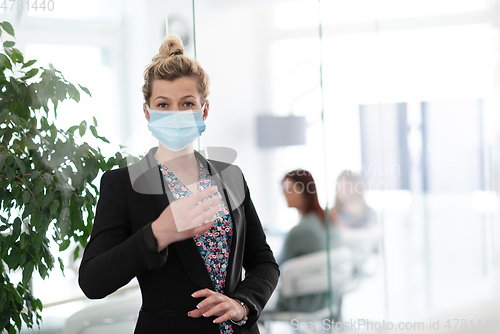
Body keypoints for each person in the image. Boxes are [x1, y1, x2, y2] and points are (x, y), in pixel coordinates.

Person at [78, 36, 279, 334]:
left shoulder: (230, 177)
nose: (176, 114)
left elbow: (264, 262)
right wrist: (158, 233)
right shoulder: (123, 184)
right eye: (163, 104)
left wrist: (243, 304)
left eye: (187, 104)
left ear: (204, 110)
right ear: (147, 113)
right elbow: (93, 280)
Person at [274, 169, 328, 312]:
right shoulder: (321, 221)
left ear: (305, 192)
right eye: (284, 190)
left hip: (301, 301)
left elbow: (275, 269)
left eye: (290, 190)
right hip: (321, 298)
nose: (285, 195)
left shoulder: (300, 231)